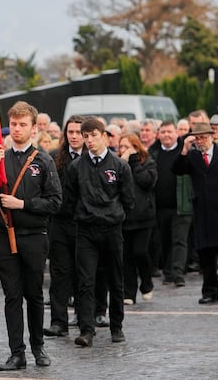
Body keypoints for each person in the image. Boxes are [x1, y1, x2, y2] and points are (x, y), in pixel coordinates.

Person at [0, 101, 61, 371]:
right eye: (13, 124)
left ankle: (38, 347)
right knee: (11, 296)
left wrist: (22, 204)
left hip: (34, 236)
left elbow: (55, 202)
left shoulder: (44, 160)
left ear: (33, 128)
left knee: (34, 295)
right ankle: (17, 352)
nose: (17, 129)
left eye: (22, 124)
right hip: (4, 235)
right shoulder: (1, 157)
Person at [64, 117, 135, 347]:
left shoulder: (120, 165)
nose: (89, 140)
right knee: (85, 281)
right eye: (86, 137)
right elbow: (70, 199)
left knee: (115, 278)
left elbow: (129, 199)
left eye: (94, 135)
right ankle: (87, 329)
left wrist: (114, 214)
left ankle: (117, 327)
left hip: (112, 229)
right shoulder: (76, 167)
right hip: (86, 229)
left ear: (105, 136)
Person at [172, 122, 218, 305]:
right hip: (203, 212)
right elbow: (177, 169)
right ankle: (210, 292)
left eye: (203, 137)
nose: (200, 141)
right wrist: (184, 149)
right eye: (197, 138)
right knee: (206, 255)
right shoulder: (192, 156)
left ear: (212, 136)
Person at [44, 115, 85, 339]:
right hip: (59, 223)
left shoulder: (91, 158)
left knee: (83, 273)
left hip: (83, 223)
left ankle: (83, 315)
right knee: (59, 274)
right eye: (71, 132)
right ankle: (59, 322)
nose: (75, 136)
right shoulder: (54, 158)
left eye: (79, 132)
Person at [149, 121, 193, 288]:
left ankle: (178, 273)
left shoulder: (185, 151)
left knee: (179, 240)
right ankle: (168, 272)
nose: (166, 135)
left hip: (181, 204)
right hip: (160, 206)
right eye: (163, 132)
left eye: (169, 132)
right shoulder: (153, 152)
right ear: (158, 134)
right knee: (164, 240)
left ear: (176, 133)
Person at [118, 134, 158, 305]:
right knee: (126, 257)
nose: (124, 150)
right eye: (121, 146)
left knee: (140, 252)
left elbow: (147, 181)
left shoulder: (148, 162)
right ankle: (129, 292)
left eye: (127, 146)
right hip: (125, 217)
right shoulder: (117, 164)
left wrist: (133, 162)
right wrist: (123, 163)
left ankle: (147, 282)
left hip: (144, 217)